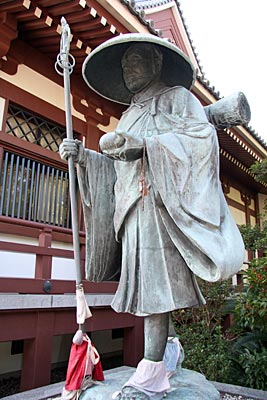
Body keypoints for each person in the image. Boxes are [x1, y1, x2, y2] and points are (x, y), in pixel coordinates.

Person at [59, 33, 245, 399]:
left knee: (156, 291)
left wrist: (147, 145)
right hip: (132, 209)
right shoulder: (129, 114)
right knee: (148, 287)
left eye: (136, 60)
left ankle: (152, 371)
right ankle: (169, 348)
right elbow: (115, 170)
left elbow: (200, 141)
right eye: (125, 64)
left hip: (162, 208)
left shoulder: (178, 99)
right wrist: (83, 158)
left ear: (157, 63)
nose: (129, 69)